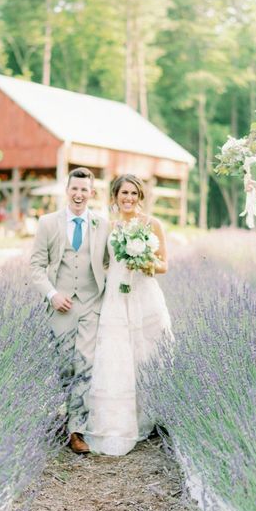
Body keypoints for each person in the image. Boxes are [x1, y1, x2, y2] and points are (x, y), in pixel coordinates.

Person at [83, 174, 173, 456]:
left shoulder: (152, 224)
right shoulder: (107, 227)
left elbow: (164, 266)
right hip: (116, 297)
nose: (129, 198)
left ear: (140, 197)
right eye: (124, 193)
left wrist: (144, 259)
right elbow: (102, 263)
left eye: (134, 193)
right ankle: (118, 421)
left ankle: (151, 416)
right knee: (117, 354)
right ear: (115, 196)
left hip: (144, 296)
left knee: (146, 353)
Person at [30, 167, 109, 454]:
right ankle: (66, 416)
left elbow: (112, 262)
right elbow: (36, 266)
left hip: (91, 303)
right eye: (74, 189)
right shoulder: (48, 223)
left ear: (91, 193)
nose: (79, 194)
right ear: (67, 190)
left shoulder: (103, 225)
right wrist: (51, 294)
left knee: (85, 363)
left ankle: (77, 430)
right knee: (65, 366)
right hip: (61, 306)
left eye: (84, 190)